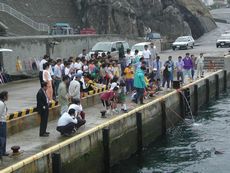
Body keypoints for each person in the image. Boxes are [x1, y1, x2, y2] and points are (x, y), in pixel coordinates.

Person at [0, 91, 9, 156]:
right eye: (7, 95)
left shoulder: (2, 103)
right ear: (4, 96)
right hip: (2, 123)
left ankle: (3, 151)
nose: (8, 97)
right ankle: (2, 152)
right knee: (2, 138)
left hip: (3, 122)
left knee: (3, 137)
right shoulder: (1, 104)